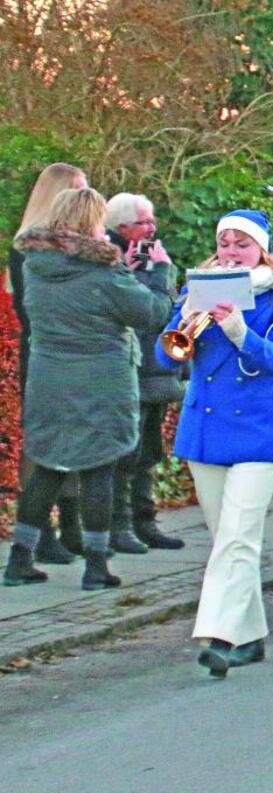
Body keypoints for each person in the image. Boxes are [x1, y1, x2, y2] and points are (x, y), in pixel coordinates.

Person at [157, 209, 273, 676]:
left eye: (243, 244)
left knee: (239, 536)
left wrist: (241, 332)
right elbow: (164, 358)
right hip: (206, 427)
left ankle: (218, 634)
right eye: (225, 243)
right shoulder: (198, 290)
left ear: (262, 250)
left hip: (259, 428)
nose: (231, 252)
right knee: (229, 539)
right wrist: (185, 317)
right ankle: (251, 634)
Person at [4, 188, 173, 589]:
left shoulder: (36, 265)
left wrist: (120, 271)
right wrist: (161, 273)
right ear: (93, 222)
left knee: (48, 465)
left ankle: (19, 560)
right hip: (102, 379)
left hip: (49, 378)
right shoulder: (103, 272)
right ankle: (96, 566)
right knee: (100, 466)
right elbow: (151, 313)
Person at [8, 163, 88, 565]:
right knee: (44, 443)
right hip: (46, 353)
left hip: (74, 353)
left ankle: (71, 525)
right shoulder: (29, 249)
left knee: (77, 439)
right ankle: (39, 532)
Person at [105, 192, 187, 553]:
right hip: (130, 369)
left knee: (149, 451)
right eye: (144, 222)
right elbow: (148, 311)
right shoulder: (110, 259)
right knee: (126, 452)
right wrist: (161, 273)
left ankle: (144, 521)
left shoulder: (151, 256)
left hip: (156, 368)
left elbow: (171, 309)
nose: (152, 228)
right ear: (121, 226)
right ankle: (119, 525)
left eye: (153, 221)